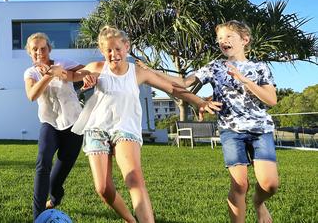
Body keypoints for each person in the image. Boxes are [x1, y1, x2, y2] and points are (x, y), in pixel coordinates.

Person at [71, 26, 219, 223]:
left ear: (126, 47)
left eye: (118, 49)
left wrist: (199, 101)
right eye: (108, 50)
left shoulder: (138, 72)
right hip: (97, 129)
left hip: (125, 128)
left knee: (134, 179)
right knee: (103, 189)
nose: (114, 54)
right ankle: (130, 220)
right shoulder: (96, 67)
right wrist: (78, 78)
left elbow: (172, 88)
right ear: (102, 51)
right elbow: (70, 76)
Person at [140, 20, 279, 223]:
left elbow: (271, 100)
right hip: (231, 130)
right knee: (239, 184)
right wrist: (151, 72)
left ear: (245, 40)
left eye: (229, 36)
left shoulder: (259, 68)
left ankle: (259, 203)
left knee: (270, 184)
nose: (223, 41)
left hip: (260, 129)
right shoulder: (215, 67)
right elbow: (183, 83)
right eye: (220, 38)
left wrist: (244, 80)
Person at [23, 32, 85, 220]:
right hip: (49, 123)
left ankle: (55, 198)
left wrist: (75, 75)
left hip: (74, 124)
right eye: (35, 49)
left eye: (43, 48)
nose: (39, 52)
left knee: (55, 182)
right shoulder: (30, 73)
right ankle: (39, 216)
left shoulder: (63, 63)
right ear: (30, 53)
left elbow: (85, 72)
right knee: (43, 163)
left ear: (49, 49)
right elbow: (32, 95)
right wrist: (50, 75)